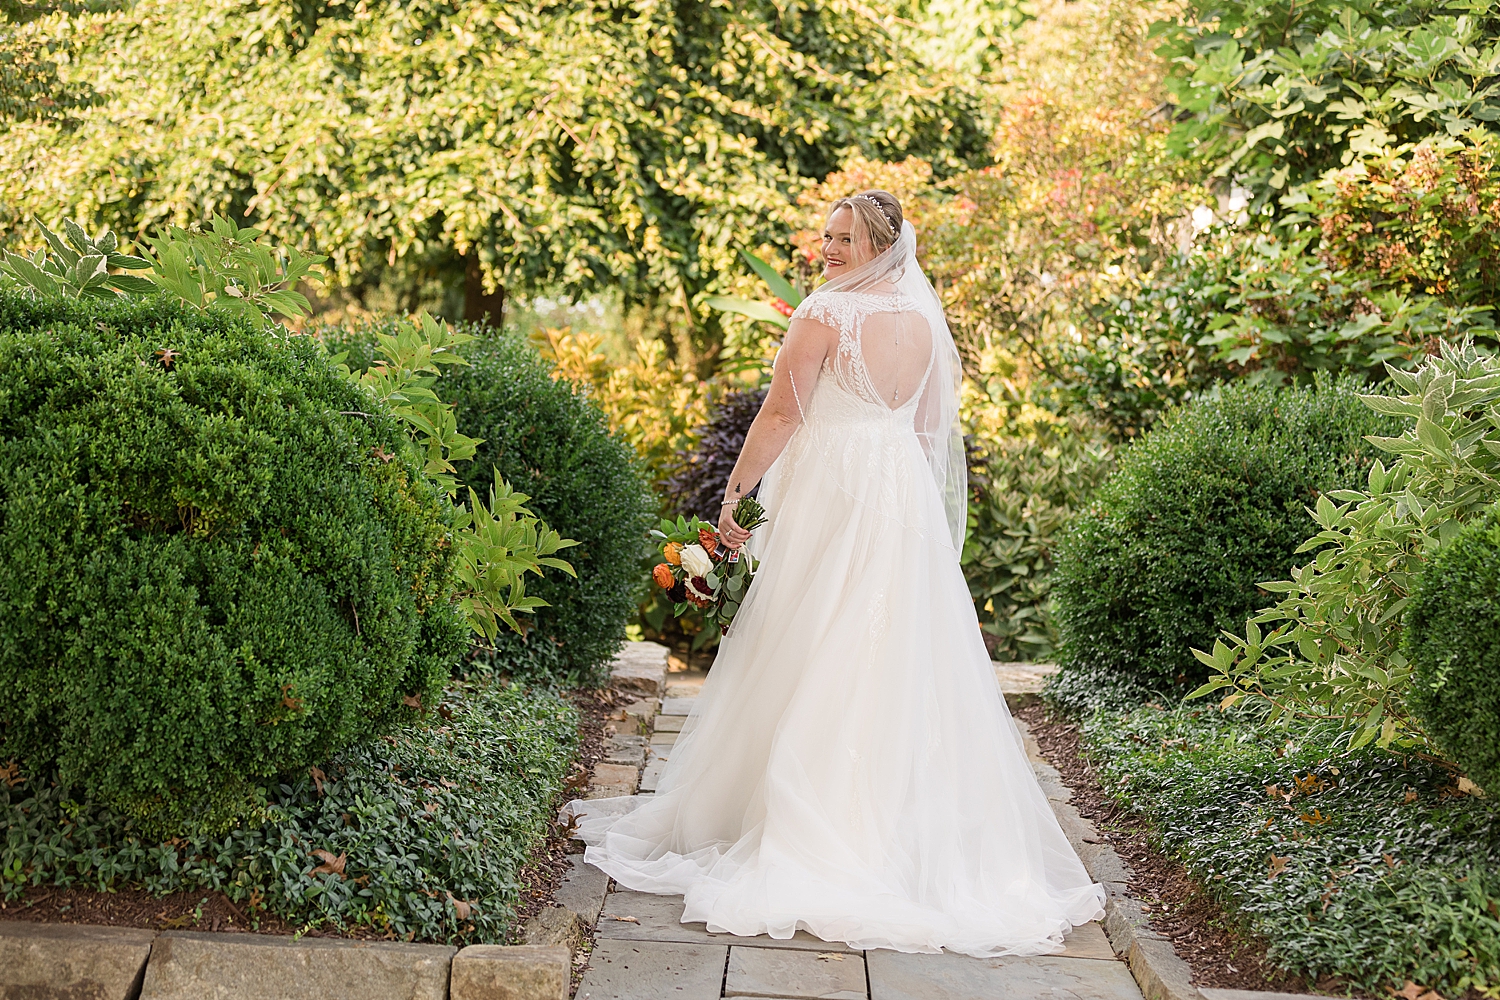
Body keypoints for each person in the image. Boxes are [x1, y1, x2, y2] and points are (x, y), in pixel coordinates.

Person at [565, 190, 1105, 957]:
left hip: (835, 488)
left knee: (815, 636)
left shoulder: (824, 312)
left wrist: (735, 494)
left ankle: (807, 827)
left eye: (843, 237)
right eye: (825, 236)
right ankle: (890, 828)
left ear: (879, 241)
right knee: (887, 649)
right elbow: (924, 431)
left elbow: (781, 416)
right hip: (897, 494)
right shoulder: (922, 321)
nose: (827, 249)